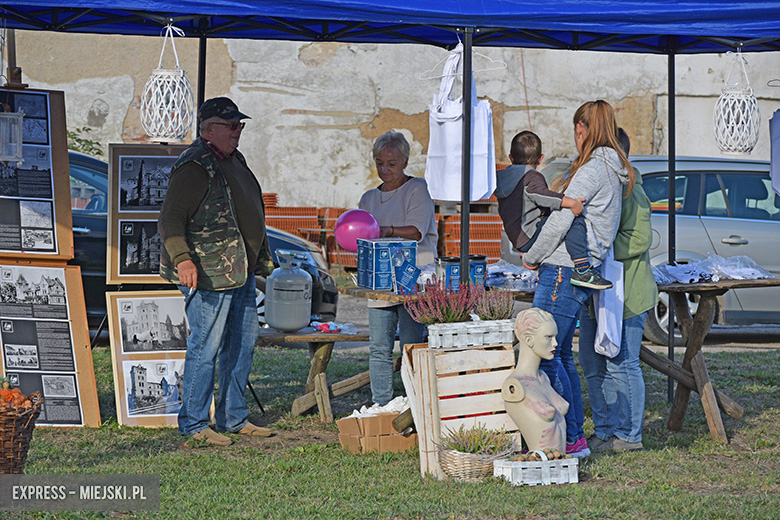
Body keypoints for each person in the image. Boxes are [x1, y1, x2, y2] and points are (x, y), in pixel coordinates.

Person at [158, 97, 275, 446]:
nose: (238, 131)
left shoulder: (233, 159)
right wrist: (183, 259)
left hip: (238, 271)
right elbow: (170, 218)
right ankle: (194, 423)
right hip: (209, 273)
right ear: (210, 129)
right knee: (205, 348)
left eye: (240, 125)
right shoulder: (195, 166)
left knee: (241, 345)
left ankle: (232, 417)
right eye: (231, 126)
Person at [522, 100, 634, 457]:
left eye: (576, 129)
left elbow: (562, 218)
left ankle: (568, 438)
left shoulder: (593, 169)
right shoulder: (613, 168)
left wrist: (533, 254)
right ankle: (575, 438)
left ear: (582, 128)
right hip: (579, 268)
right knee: (561, 356)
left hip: (563, 267)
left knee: (544, 355)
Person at [578, 128, 658, 452]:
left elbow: (640, 237)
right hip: (595, 292)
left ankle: (629, 435)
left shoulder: (630, 188)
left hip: (627, 293)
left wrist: (599, 248)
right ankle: (606, 430)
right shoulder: (599, 181)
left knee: (622, 363)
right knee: (593, 363)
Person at [358, 131, 438, 406]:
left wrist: (384, 230)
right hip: (379, 279)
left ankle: (415, 403)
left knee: (411, 345)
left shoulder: (417, 189)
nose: (385, 169)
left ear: (404, 162)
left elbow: (416, 231)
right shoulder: (368, 198)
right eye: (380, 163)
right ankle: (381, 404)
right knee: (379, 347)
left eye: (391, 164)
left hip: (413, 277)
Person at [495, 130, 611, 290]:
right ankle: (583, 268)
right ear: (540, 158)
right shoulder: (531, 177)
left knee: (555, 223)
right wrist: (571, 202)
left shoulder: (501, 178)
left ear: (511, 157)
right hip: (529, 235)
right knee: (572, 219)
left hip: (517, 239)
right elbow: (541, 195)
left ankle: (539, 266)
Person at [502, 308, 569, 453]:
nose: (555, 343)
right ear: (529, 340)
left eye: (555, 337)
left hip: (562, 462)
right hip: (542, 462)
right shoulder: (515, 386)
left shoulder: (543, 377)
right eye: (548, 337)